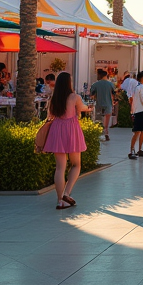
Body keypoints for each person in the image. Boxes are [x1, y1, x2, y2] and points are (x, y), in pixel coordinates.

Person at [40, 72, 89, 209]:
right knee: (76, 164)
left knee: (60, 168)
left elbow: (50, 114)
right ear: (69, 82)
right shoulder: (74, 97)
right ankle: (67, 193)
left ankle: (59, 200)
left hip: (57, 129)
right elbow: (82, 108)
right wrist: (87, 108)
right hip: (71, 130)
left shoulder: (54, 98)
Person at [128, 71, 143, 160]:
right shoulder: (140, 87)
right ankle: (132, 150)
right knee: (138, 131)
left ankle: (138, 149)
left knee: (142, 131)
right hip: (141, 111)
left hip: (140, 111)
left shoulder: (139, 87)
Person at [90, 69, 116, 142]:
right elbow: (114, 94)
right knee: (106, 121)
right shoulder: (111, 84)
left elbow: (91, 94)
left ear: (100, 75)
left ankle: (99, 134)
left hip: (99, 104)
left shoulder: (95, 84)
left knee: (99, 120)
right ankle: (106, 134)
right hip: (108, 104)